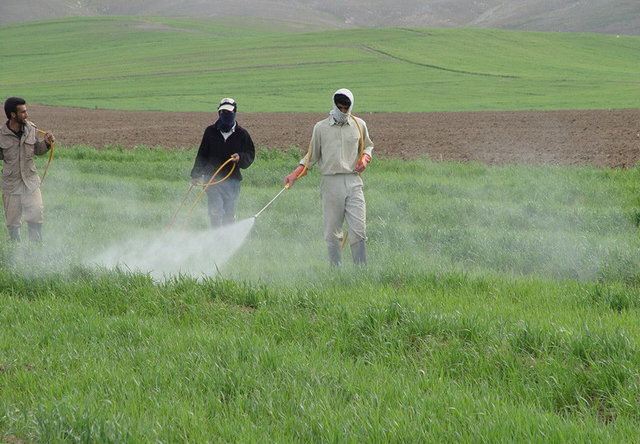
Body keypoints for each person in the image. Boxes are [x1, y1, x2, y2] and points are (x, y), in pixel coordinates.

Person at [284, 88, 373, 266]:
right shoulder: (320, 128)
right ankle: (335, 269)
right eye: (339, 108)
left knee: (358, 229)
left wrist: (364, 159)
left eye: (345, 109)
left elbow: (368, 146)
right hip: (331, 183)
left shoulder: (359, 125)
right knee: (332, 231)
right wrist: (295, 174)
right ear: (334, 105)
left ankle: (362, 271)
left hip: (354, 181)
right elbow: (311, 157)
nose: (342, 112)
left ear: (350, 107)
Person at [191, 97, 255, 228]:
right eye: (223, 112)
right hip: (212, 179)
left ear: (235, 112)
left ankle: (226, 239)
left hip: (232, 181)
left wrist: (240, 158)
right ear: (218, 113)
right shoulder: (210, 131)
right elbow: (202, 154)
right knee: (215, 212)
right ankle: (215, 236)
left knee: (229, 214)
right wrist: (196, 174)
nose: (225, 115)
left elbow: (250, 154)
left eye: (229, 112)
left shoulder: (242, 134)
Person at [0, 97, 55, 242]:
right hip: (11, 185)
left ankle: (35, 250)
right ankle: (16, 251)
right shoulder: (1, 134)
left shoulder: (32, 129)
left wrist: (47, 144)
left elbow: (37, 150)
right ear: (13, 114)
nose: (26, 114)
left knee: (36, 214)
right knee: (12, 222)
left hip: (30, 182)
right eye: (23, 112)